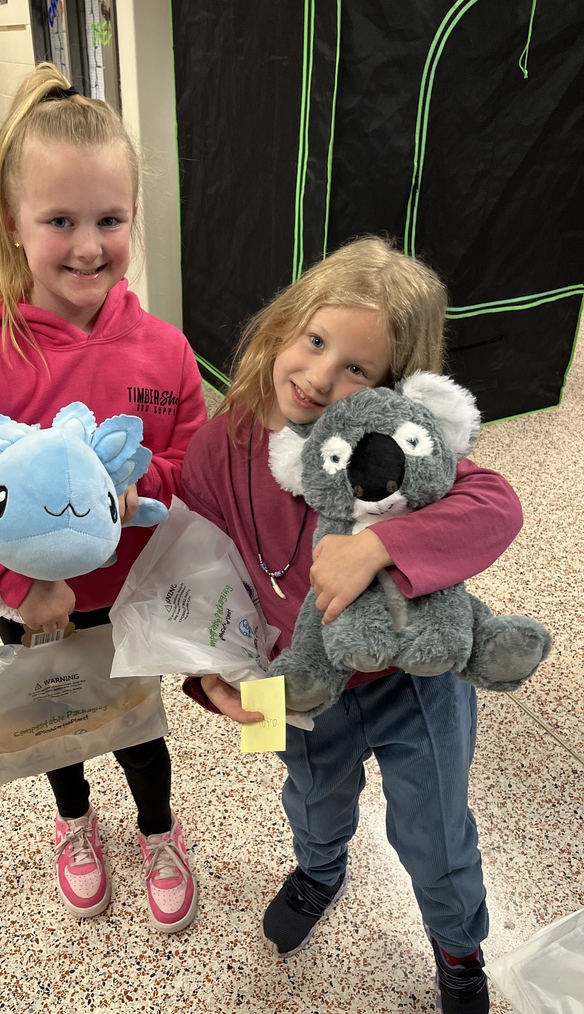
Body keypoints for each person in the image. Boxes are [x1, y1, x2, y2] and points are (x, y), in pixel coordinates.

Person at [0, 63, 207, 933]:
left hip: (131, 599)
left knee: (138, 727)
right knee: (54, 718)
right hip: (34, 612)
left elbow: (192, 456)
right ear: (14, 225)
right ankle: (73, 822)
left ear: (134, 218)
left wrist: (151, 484)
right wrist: (20, 586)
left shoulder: (167, 351)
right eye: (59, 220)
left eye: (110, 219)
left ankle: (158, 828)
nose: (87, 245)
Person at [181, 235, 522, 1012]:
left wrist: (380, 544)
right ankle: (320, 870)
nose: (321, 378)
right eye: (315, 341)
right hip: (298, 682)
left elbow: (496, 504)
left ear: (393, 390)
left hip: (412, 683)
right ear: (285, 324)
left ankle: (459, 948)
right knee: (309, 798)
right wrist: (211, 682)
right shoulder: (219, 442)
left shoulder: (386, 446)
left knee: (435, 835)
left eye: (357, 370)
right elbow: (195, 575)